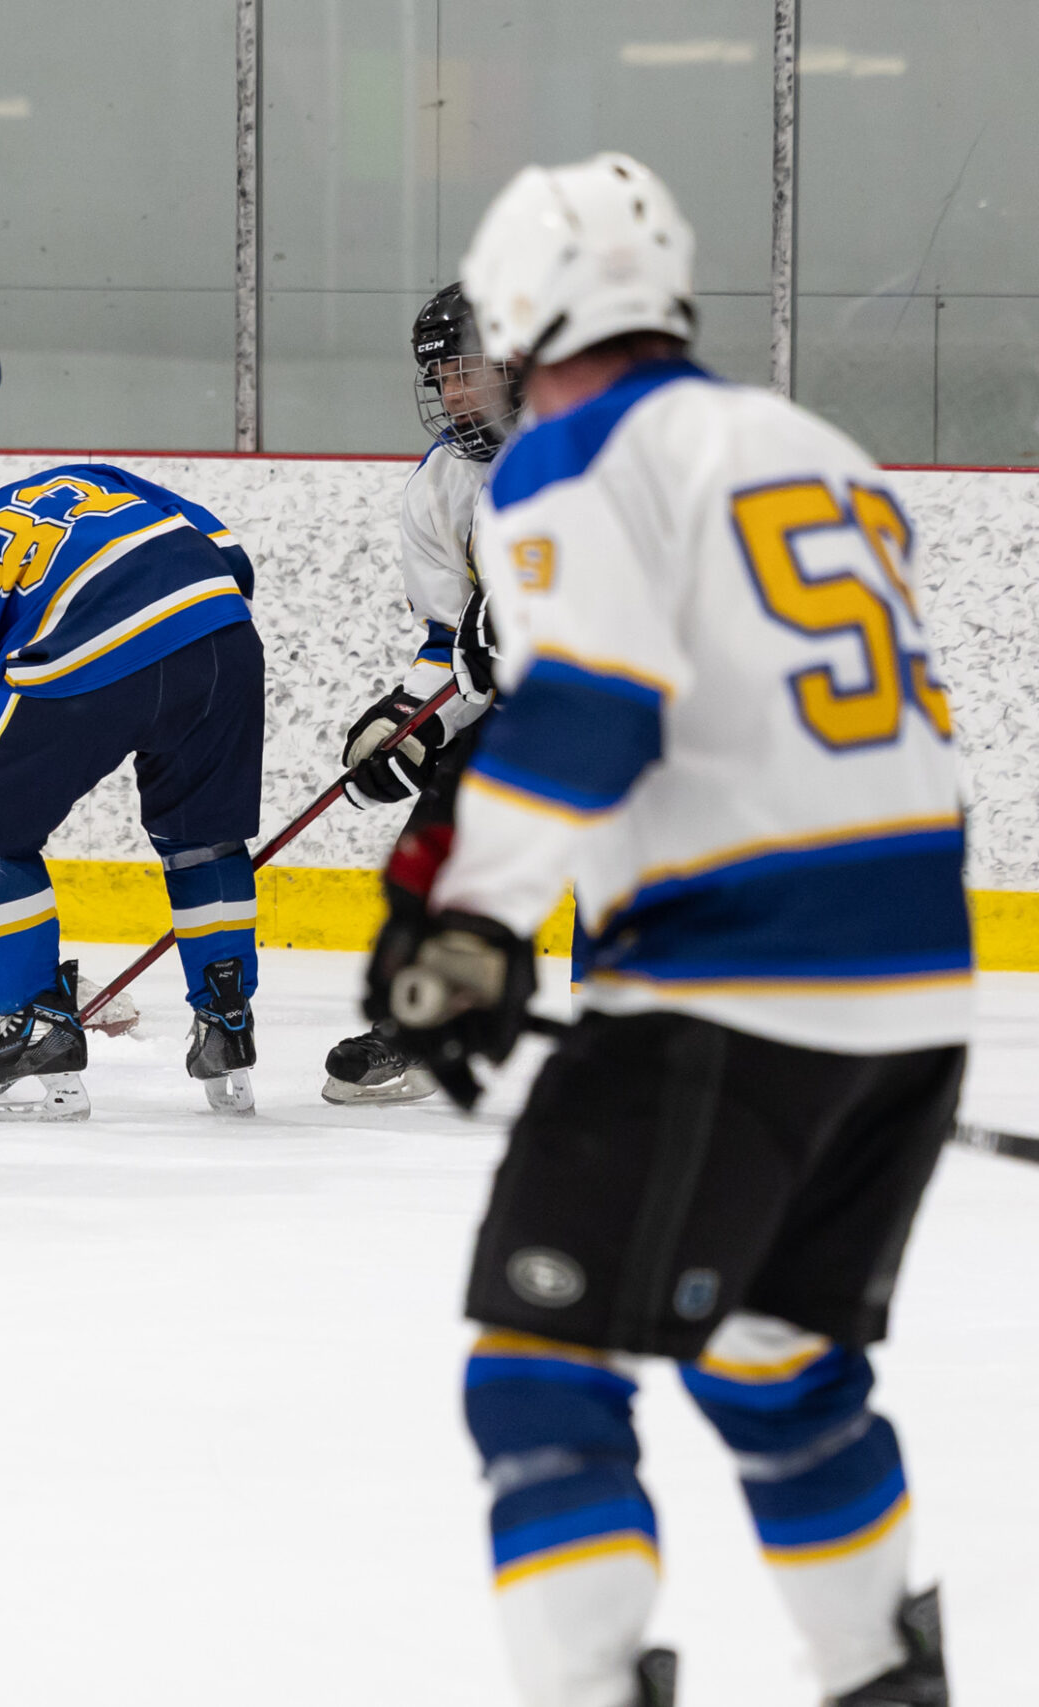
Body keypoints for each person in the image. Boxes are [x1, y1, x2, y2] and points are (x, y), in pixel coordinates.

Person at [370, 154, 962, 1706]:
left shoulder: (574, 458)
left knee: (539, 1368)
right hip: (915, 987)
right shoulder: (813, 445)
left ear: (526, 316)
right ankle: (880, 1677)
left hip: (730, 977)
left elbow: (589, 711)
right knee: (780, 1354)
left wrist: (470, 926)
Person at [0, 464, 262, 1121]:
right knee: (200, 834)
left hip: (93, 640)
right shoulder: (78, 477)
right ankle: (226, 1016)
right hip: (221, 626)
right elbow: (228, 551)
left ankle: (37, 1024)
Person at [319, 283, 514, 1107]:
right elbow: (454, 648)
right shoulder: (441, 487)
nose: (452, 393)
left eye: (467, 371)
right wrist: (409, 726)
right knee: (444, 831)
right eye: (442, 376)